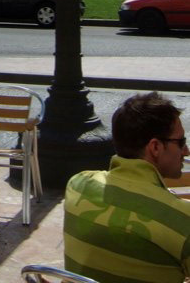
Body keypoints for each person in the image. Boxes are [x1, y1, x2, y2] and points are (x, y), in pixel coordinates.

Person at [64, 91, 190, 283]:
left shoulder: (77, 185)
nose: (186, 151)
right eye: (181, 142)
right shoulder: (182, 220)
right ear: (155, 147)